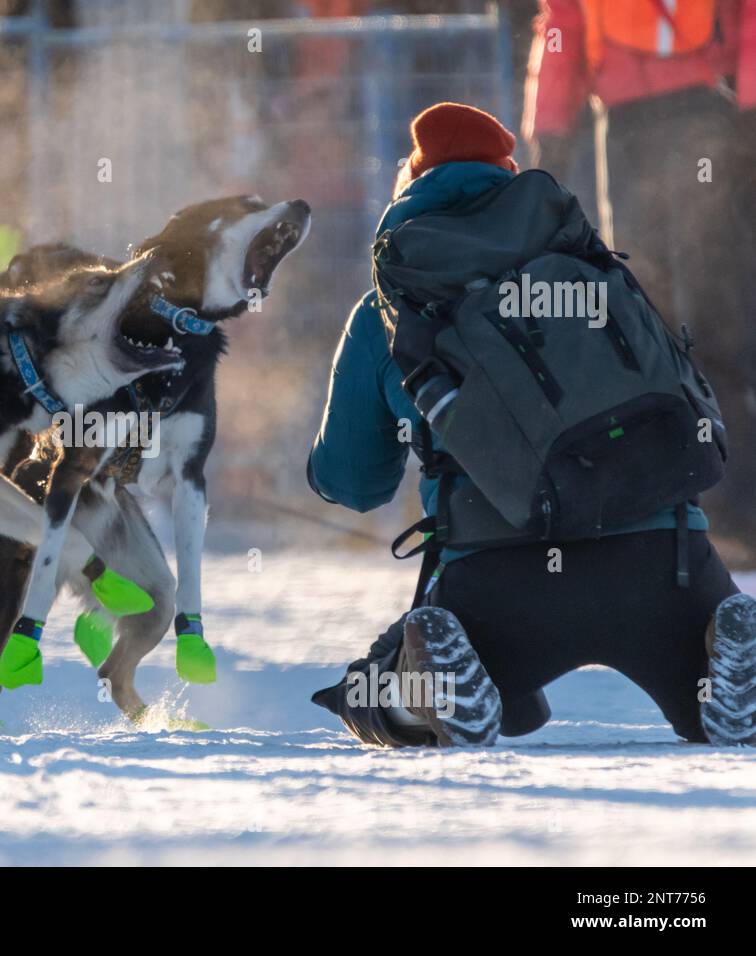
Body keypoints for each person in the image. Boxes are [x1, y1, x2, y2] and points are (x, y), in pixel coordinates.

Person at [308, 102, 754, 748]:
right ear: (510, 178)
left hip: (499, 588)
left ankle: (428, 690)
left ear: (410, 183)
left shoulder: (391, 309)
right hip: (666, 563)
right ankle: (730, 663)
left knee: (370, 686)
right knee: (714, 701)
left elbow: (353, 482)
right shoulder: (599, 271)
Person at [523, 0, 756, 560]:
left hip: (644, 124)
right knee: (695, 321)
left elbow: (563, 25)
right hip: (704, 114)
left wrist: (550, 134)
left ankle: (700, 513)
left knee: (658, 321)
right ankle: (718, 511)